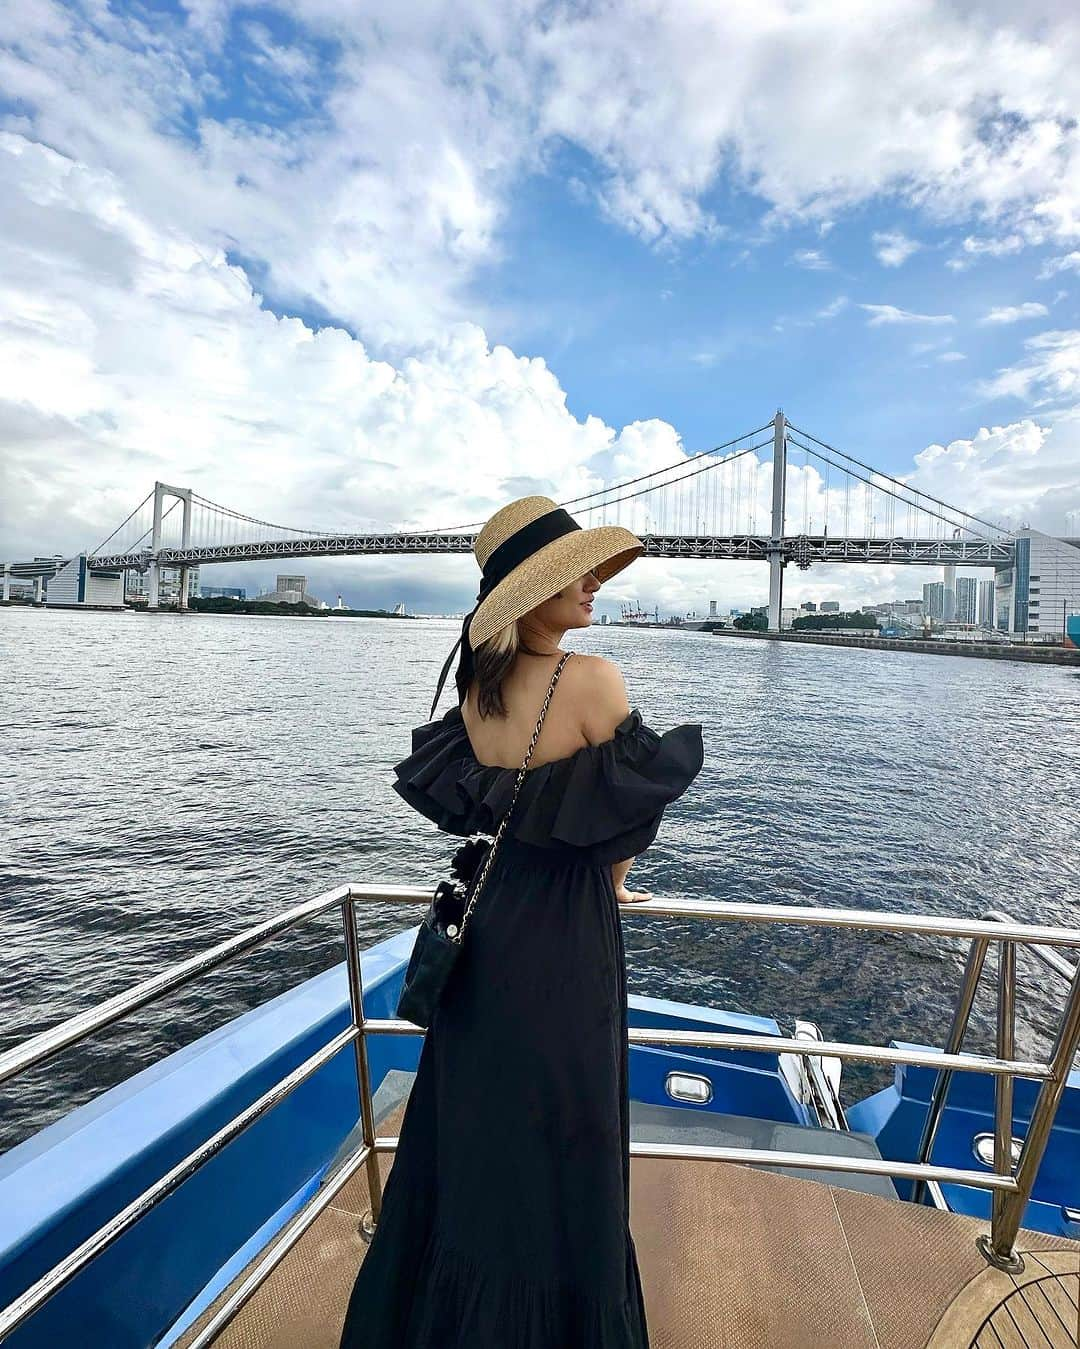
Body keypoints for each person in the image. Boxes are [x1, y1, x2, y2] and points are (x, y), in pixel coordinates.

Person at [339, 495, 703, 1348]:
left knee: (475, 1129)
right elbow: (618, 822)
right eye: (570, 573)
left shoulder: (477, 686)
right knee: (569, 1133)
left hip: (488, 934)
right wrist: (617, 882)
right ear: (526, 593)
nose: (591, 584)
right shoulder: (592, 680)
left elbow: (497, 807)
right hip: (566, 939)